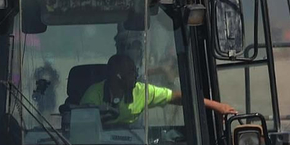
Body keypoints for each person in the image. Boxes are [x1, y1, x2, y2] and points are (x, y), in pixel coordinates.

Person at [78, 53, 236, 126]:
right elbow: (82, 125)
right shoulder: (93, 95)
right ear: (116, 76)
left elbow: (176, 97)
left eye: (134, 72)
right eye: (130, 73)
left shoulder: (142, 92)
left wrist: (217, 106)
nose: (135, 77)